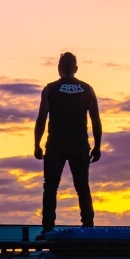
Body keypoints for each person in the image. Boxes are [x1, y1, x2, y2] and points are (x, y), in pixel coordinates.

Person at [34, 52, 102, 231]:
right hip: (79, 143)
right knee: (82, 186)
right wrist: (97, 146)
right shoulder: (87, 89)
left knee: (50, 187)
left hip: (56, 142)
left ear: (59, 69)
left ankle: (48, 227)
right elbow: (95, 119)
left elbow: (41, 118)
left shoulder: (50, 89)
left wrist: (37, 145)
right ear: (76, 69)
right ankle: (88, 226)